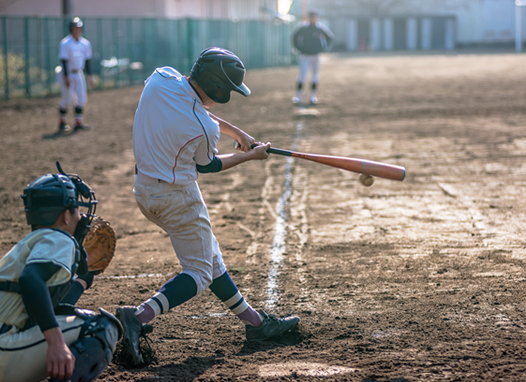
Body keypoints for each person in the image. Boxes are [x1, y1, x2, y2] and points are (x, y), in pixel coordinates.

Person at [117, 47, 300, 365]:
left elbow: (189, 105)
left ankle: (256, 324)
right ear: (217, 86)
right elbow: (210, 166)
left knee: (209, 257)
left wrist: (237, 132)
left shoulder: (162, 76)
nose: (227, 94)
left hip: (144, 190)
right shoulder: (204, 127)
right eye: (228, 88)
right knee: (200, 271)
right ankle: (139, 315)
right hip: (178, 198)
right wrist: (249, 155)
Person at [0, 165, 122, 382]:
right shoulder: (60, 239)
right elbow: (31, 280)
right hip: (4, 351)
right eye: (77, 209)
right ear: (66, 216)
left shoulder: (33, 243)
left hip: (7, 344)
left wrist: (83, 280)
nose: (82, 216)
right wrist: (56, 343)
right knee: (99, 328)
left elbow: (46, 308)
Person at [57, 17, 96, 133]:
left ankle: (78, 122)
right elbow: (63, 60)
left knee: (82, 98)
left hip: (79, 73)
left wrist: (90, 76)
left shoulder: (85, 43)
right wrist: (65, 77)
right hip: (67, 73)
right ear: (71, 29)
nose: (77, 30)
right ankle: (61, 122)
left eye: (79, 28)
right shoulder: (65, 43)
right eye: (75, 28)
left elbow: (88, 61)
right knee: (67, 99)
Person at [292, 9, 334, 105]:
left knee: (315, 76)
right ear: (309, 18)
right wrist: (299, 48)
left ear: (317, 18)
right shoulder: (304, 28)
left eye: (314, 17)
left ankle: (312, 96)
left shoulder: (320, 28)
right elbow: (295, 36)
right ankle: (298, 96)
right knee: (302, 76)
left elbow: (330, 37)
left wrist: (324, 48)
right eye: (311, 17)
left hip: (316, 55)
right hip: (305, 55)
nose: (313, 19)